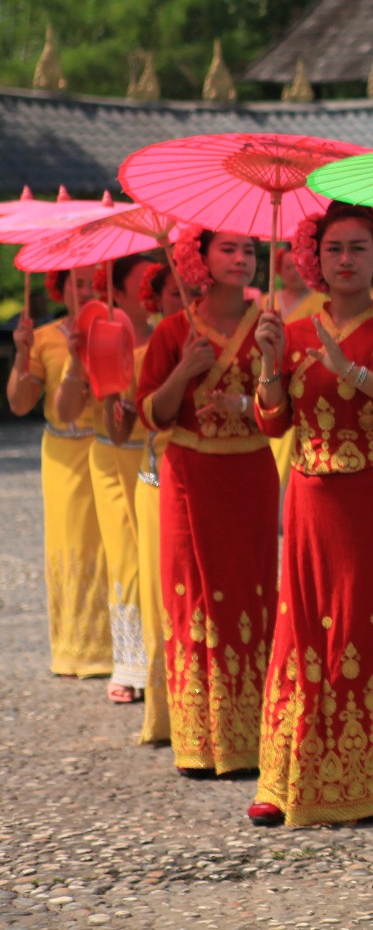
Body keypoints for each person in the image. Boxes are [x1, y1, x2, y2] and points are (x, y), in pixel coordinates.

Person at [249, 204, 373, 827]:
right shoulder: (291, 330)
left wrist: (351, 371)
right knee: (300, 628)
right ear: (317, 259)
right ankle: (283, 777)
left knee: (367, 627)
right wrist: (271, 370)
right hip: (309, 497)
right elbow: (272, 421)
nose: (346, 260)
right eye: (335, 249)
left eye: (358, 248)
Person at [138, 228, 276, 776]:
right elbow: (152, 414)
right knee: (192, 596)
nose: (242, 259)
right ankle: (199, 741)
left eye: (249, 250)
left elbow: (281, 409)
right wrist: (184, 371)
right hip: (189, 475)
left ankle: (254, 735)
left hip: (251, 474)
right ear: (199, 257)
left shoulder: (269, 327)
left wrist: (264, 373)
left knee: (252, 591)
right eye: (229, 250)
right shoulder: (174, 330)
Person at [58, 256, 160, 705]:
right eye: (139, 282)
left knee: (158, 558)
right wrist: (84, 363)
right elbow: (87, 412)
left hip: (159, 456)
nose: (147, 291)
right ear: (115, 291)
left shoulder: (169, 335)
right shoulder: (102, 337)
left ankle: (164, 657)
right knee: (126, 557)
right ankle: (132, 661)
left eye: (152, 282)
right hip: (113, 455)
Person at [9, 269, 111, 681]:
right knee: (74, 545)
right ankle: (78, 648)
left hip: (113, 448)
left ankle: (123, 648)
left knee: (115, 546)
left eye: (96, 282)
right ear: (61, 288)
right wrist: (21, 353)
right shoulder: (46, 337)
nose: (88, 291)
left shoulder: (120, 330)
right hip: (65, 454)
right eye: (79, 283)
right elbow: (19, 404)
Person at [126, 267, 177, 747]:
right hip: (158, 483)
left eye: (194, 290)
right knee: (162, 597)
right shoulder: (142, 355)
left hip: (216, 485)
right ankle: (166, 710)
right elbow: (123, 425)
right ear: (155, 301)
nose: (185, 299)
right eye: (174, 293)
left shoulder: (226, 345)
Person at [266, 248, 328, 489]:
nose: (294, 273)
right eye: (289, 267)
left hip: (304, 377)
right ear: (279, 270)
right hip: (270, 376)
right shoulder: (266, 300)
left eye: (300, 266)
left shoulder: (321, 301)